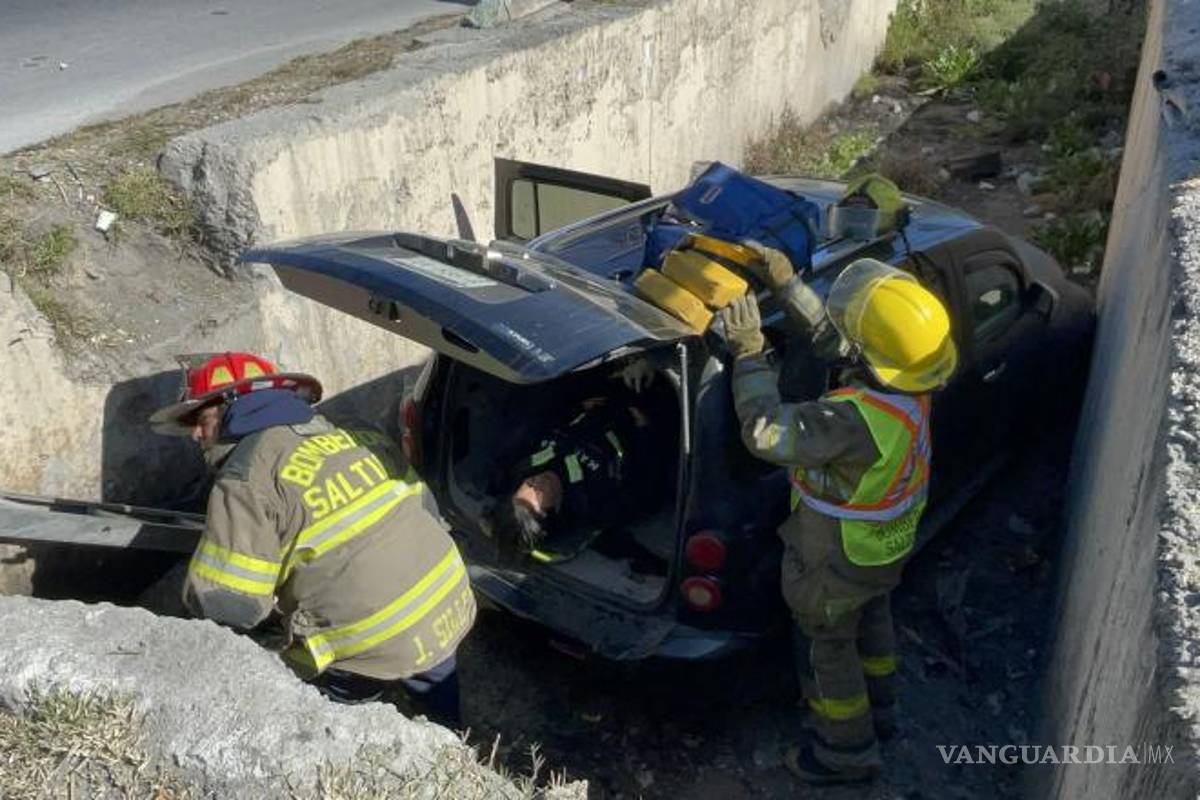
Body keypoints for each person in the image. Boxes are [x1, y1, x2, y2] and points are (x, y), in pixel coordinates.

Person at [720, 252, 957, 784]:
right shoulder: (911, 387)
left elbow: (764, 433)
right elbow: (840, 342)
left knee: (828, 651)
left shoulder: (850, 421)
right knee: (873, 624)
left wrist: (750, 354)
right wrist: (787, 286)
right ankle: (885, 712)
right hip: (883, 550)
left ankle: (844, 752)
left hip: (835, 559)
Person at [150, 352, 475, 727]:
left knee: (337, 720)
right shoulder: (352, 430)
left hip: (367, 641)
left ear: (231, 409)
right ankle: (452, 743)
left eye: (200, 419)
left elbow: (228, 603)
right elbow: (426, 510)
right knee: (435, 693)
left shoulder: (247, 478)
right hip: (449, 601)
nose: (195, 434)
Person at [493, 377, 671, 562]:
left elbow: (545, 416)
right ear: (549, 512)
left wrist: (575, 408)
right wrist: (644, 429)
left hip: (599, 394)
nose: (535, 481)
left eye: (528, 483)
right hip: (643, 415)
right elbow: (649, 487)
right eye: (537, 493)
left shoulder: (524, 463)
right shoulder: (593, 500)